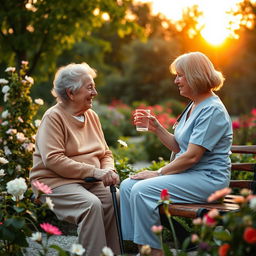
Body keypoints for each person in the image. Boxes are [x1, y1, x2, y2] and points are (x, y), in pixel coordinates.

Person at [120, 52, 233, 256]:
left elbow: (192, 157)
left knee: (142, 190)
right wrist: (157, 128)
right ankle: (138, 247)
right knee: (128, 185)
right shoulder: (194, 105)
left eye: (180, 75)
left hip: (208, 179)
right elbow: (179, 147)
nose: (176, 80)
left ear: (194, 75)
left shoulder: (212, 109)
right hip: (189, 175)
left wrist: (158, 173)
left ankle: (153, 252)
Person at [29, 63, 120, 256]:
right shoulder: (53, 117)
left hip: (88, 180)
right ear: (71, 93)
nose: (95, 92)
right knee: (90, 205)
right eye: (89, 87)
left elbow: (105, 153)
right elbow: (53, 159)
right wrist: (95, 172)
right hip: (54, 181)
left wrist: (108, 171)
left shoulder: (92, 116)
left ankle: (113, 253)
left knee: (116, 198)